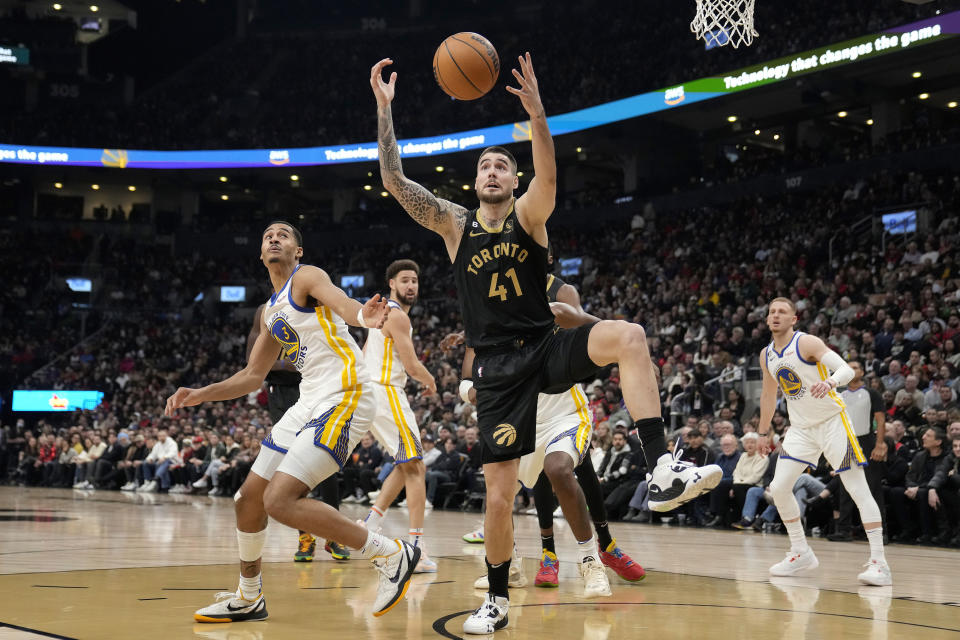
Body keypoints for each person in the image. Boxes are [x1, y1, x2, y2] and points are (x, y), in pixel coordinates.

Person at [372, 54, 718, 635]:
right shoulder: (455, 225)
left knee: (628, 336)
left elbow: (549, 176)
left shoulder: (530, 216)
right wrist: (385, 110)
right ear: (474, 180)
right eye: (484, 165)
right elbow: (393, 180)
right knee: (501, 498)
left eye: (502, 165)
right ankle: (500, 599)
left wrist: (537, 117)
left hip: (545, 345)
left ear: (512, 180)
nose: (491, 171)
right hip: (499, 369)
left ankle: (660, 463)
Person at [164, 220, 419, 623]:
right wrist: (199, 394)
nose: (274, 238)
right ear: (260, 253)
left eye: (283, 235)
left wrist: (363, 315)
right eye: (267, 235)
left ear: (297, 251)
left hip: (346, 393)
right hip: (307, 403)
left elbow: (343, 304)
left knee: (279, 501)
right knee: (247, 500)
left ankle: (390, 553)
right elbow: (251, 376)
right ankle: (249, 596)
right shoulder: (271, 311)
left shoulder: (308, 276)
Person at [758, 298, 891, 586]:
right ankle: (800, 551)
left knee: (857, 488)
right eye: (772, 312)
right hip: (801, 429)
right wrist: (761, 432)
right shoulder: (767, 354)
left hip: (833, 423)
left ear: (794, 319)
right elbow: (768, 397)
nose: (776, 315)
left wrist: (830, 382)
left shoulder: (806, 343)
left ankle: (880, 563)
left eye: (782, 312)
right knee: (779, 488)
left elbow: (847, 370)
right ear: (767, 320)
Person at [246, 302, 349, 563]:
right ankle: (305, 537)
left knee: (325, 461)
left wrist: (291, 363)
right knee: (293, 465)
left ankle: (334, 535)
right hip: (281, 394)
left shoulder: (317, 304)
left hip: (319, 390)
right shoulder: (265, 312)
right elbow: (254, 363)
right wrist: (288, 364)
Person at [359, 259, 439, 574]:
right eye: (405, 280)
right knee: (417, 467)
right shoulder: (398, 317)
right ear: (391, 283)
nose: (411, 286)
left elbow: (366, 352)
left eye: (415, 281)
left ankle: (370, 523)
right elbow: (412, 365)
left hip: (372, 392)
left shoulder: (381, 314)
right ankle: (416, 549)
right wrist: (430, 380)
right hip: (386, 392)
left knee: (405, 464)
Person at [831, 361, 889, 541]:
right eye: (848, 367)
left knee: (872, 488)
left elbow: (880, 421)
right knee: (844, 487)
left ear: (862, 372)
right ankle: (843, 530)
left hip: (866, 441)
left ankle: (880, 533)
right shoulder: (839, 394)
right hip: (845, 442)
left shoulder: (872, 393)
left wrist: (880, 444)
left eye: (855, 367)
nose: (851, 370)